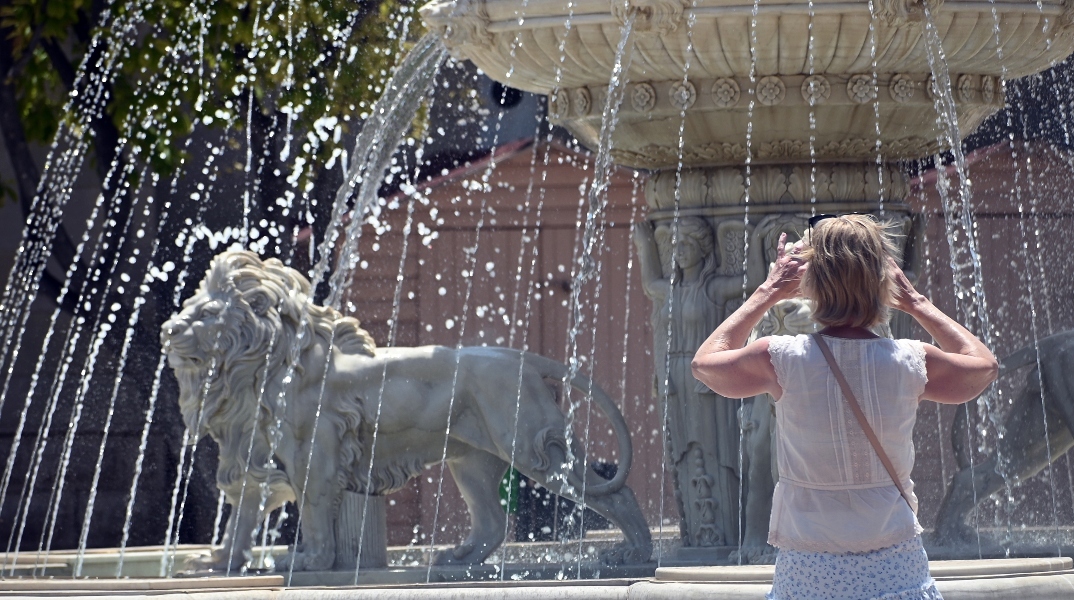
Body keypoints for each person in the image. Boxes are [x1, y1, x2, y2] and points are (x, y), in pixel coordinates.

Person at [691, 214, 998, 600]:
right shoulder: (911, 360)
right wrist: (917, 303)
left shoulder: (783, 359)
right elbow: (984, 367)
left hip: (808, 571)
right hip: (896, 568)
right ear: (883, 284)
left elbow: (705, 364)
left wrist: (768, 292)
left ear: (811, 285)